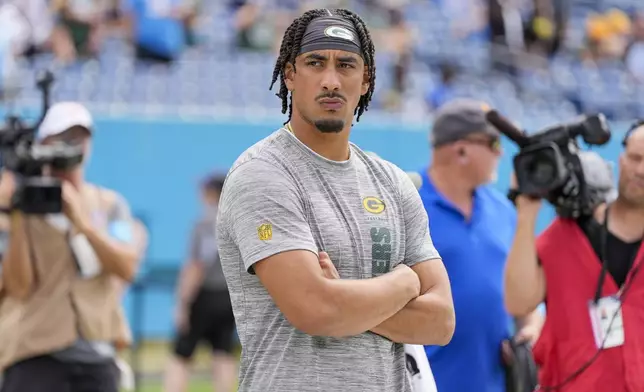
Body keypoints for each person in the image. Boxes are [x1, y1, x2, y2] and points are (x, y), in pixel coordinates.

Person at [217, 8, 455, 392]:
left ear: (365, 80)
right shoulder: (263, 174)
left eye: (346, 65)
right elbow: (315, 310)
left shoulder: (392, 182)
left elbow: (441, 321)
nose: (331, 80)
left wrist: (346, 296)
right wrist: (403, 283)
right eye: (315, 63)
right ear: (290, 74)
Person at [0, 102, 142, 392]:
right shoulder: (20, 207)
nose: (73, 145)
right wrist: (16, 215)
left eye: (80, 136)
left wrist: (83, 223)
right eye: (63, 137)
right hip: (35, 352)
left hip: (97, 354)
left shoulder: (109, 204)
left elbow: (127, 267)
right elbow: (18, 286)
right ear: (43, 144)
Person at [504, 122, 644, 391]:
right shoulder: (567, 234)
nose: (641, 170)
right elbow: (519, 303)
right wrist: (527, 213)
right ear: (621, 160)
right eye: (636, 158)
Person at [416, 99, 543, 392]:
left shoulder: (505, 211)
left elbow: (525, 296)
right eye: (493, 144)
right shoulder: (407, 205)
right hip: (424, 383)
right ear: (461, 150)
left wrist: (530, 327)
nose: (501, 154)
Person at [164, 173, 237, 392]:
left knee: (181, 355)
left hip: (204, 295)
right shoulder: (237, 221)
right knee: (223, 353)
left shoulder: (205, 223)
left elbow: (197, 265)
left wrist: (182, 303)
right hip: (229, 296)